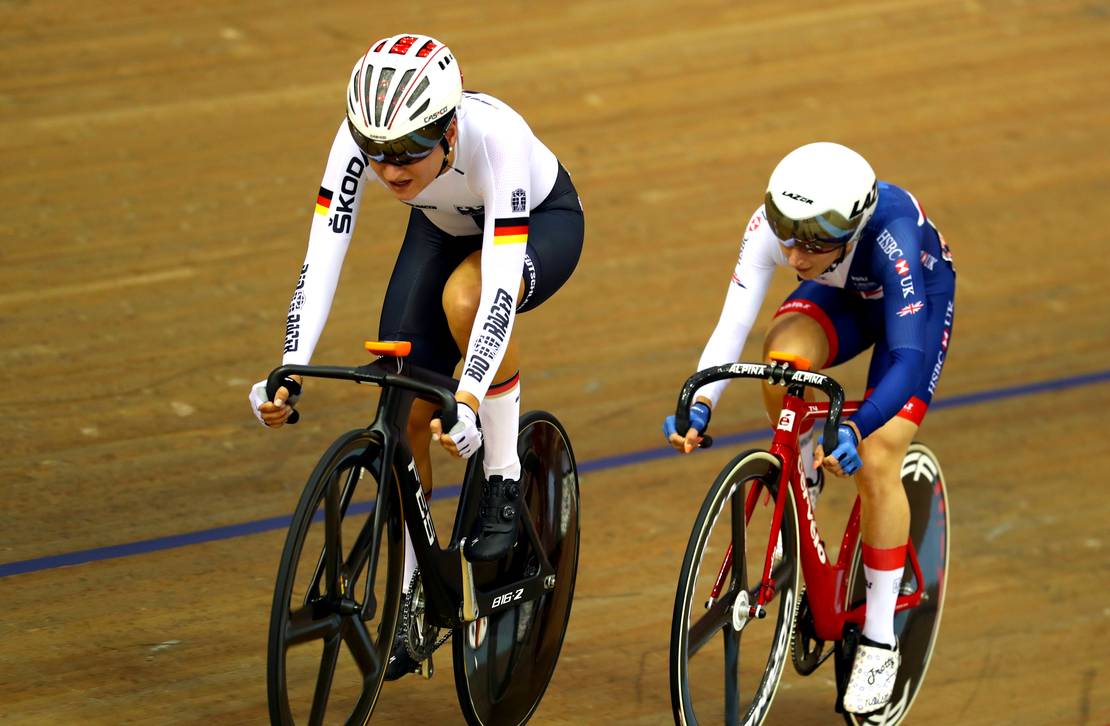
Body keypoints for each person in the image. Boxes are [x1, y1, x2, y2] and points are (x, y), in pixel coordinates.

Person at [248, 33, 583, 679]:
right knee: (402, 395)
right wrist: (287, 363)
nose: (391, 167)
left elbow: (494, 296)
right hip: (443, 225)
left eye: (408, 150)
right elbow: (324, 250)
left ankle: (504, 475)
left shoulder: (498, 139)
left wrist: (468, 396)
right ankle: (413, 594)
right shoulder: (363, 141)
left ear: (450, 131)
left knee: (466, 296)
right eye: (375, 151)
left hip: (540, 222)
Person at [663, 142, 955, 714]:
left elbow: (906, 362)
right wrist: (699, 402)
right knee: (783, 366)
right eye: (787, 237)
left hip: (913, 304)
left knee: (876, 458)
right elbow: (733, 326)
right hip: (842, 292)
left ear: (851, 227)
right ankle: (802, 486)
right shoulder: (782, 232)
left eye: (813, 242)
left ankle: (877, 638)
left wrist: (860, 424)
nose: (794, 255)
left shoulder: (890, 234)